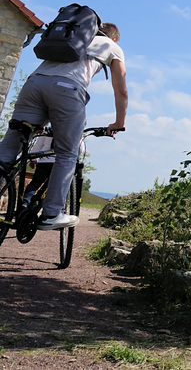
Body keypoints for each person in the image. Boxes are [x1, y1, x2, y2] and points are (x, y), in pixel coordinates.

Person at [0, 21, 127, 230]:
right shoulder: (112, 47)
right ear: (113, 38)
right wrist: (119, 122)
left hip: (33, 85)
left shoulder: (74, 39)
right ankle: (52, 213)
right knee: (67, 153)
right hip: (68, 89)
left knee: (8, 147)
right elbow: (121, 89)